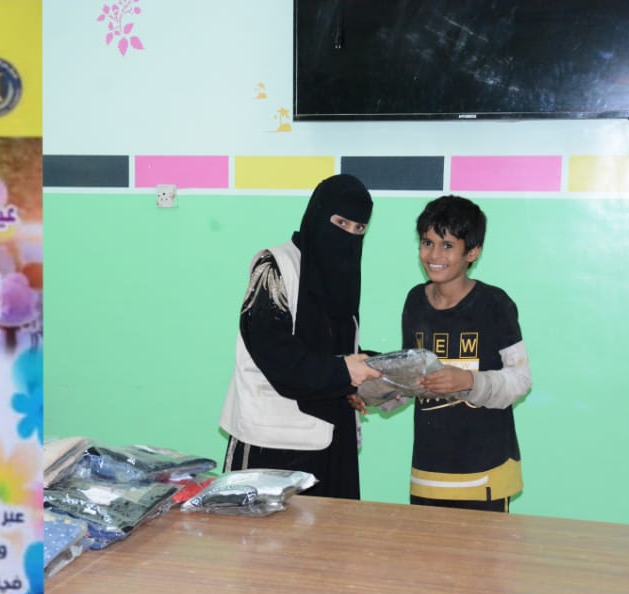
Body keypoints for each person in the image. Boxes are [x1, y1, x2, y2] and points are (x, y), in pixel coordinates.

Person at [219, 173, 381, 500]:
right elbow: (276, 355)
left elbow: (330, 347)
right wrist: (344, 372)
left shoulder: (343, 277)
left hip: (332, 440)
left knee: (335, 533)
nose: (349, 236)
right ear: (318, 214)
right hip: (272, 445)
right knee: (262, 534)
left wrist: (369, 373)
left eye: (359, 229)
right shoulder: (274, 268)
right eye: (341, 223)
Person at [401, 195, 532, 512]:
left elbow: (520, 380)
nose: (434, 255)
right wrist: (373, 392)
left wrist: (469, 381)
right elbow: (411, 378)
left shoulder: (495, 304)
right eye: (427, 242)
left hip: (486, 475)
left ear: (472, 252)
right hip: (428, 475)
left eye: (447, 245)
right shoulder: (414, 301)